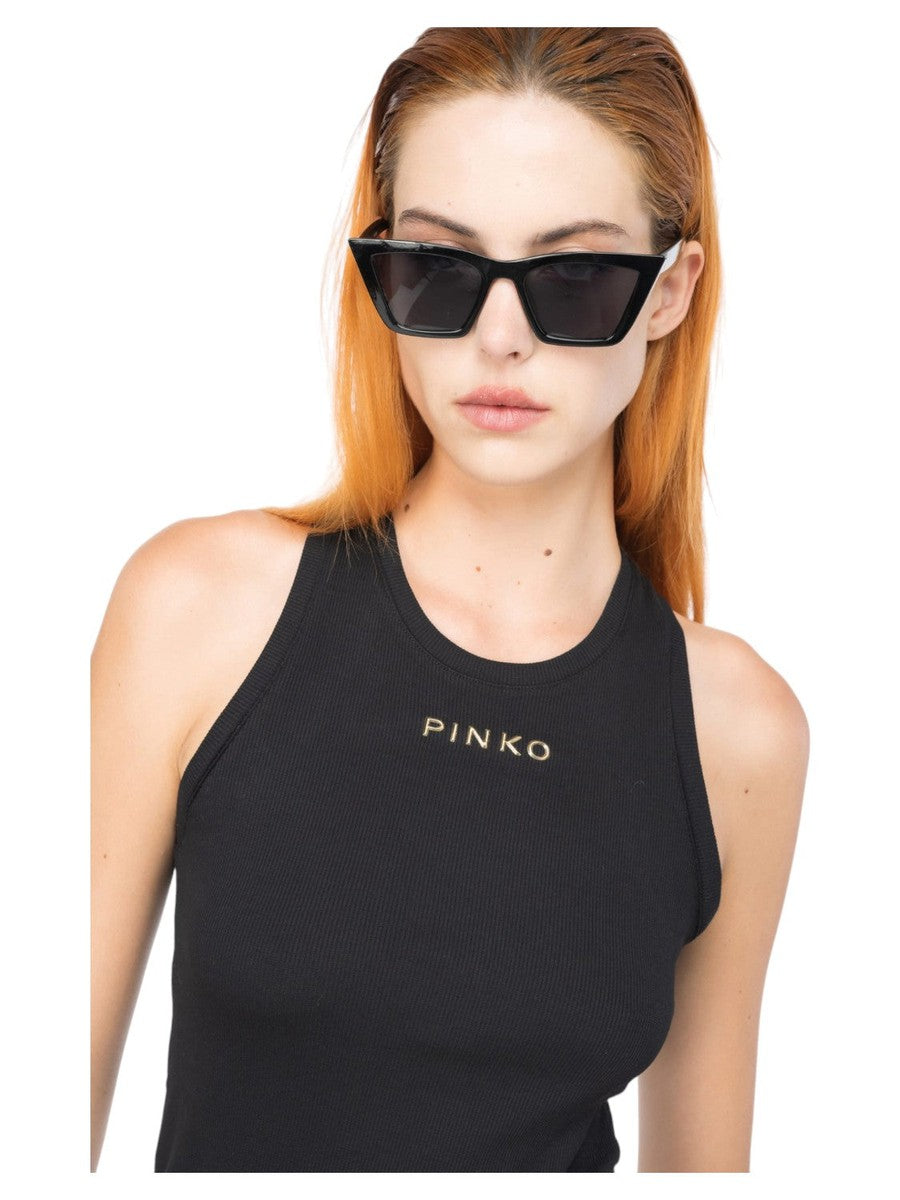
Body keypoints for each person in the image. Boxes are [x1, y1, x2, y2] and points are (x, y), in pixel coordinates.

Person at [91, 27, 809, 1173]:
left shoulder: (738, 731)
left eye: (574, 277)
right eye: (439, 266)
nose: (499, 338)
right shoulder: (197, 611)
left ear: (671, 291)